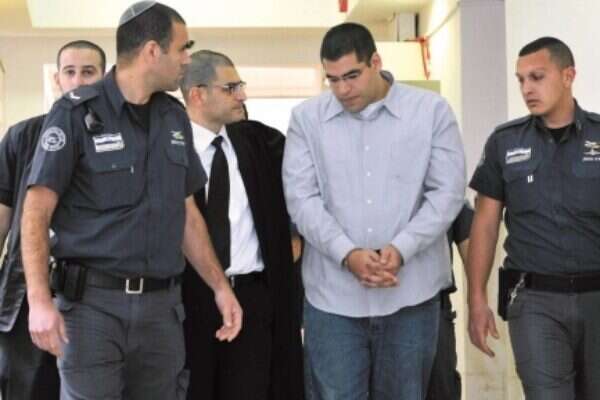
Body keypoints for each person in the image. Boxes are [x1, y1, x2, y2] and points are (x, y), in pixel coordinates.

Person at [20, 2, 242, 399]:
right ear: (153, 51)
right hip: (91, 310)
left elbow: (187, 215)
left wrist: (220, 287)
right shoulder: (74, 113)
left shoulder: (173, 117)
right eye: (182, 48)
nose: (187, 60)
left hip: (161, 311)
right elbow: (36, 212)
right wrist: (38, 301)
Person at [282, 22, 466, 400]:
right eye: (333, 80)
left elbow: (447, 193)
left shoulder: (429, 111)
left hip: (411, 297)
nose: (342, 90)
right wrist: (346, 253)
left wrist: (401, 249)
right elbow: (301, 199)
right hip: (333, 303)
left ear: (376, 62)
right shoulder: (306, 119)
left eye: (352, 76)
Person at [467, 37, 600, 400]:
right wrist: (476, 299)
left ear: (568, 76)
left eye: (537, 77)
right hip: (535, 301)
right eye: (521, 79)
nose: (527, 89)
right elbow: (485, 224)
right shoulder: (505, 142)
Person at [179, 49, 303, 400]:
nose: (242, 95)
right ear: (198, 94)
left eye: (240, 86)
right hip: (189, 300)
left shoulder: (261, 144)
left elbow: (302, 193)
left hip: (252, 298)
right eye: (231, 88)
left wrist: (295, 236)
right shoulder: (168, 149)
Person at [0, 39, 106, 400]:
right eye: (69, 72)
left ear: (103, 78)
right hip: (24, 292)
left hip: (93, 296)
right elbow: (3, 218)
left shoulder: (118, 138)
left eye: (88, 72)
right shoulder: (22, 136)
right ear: (57, 79)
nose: (78, 81)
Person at [426, 201, 473, 400]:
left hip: (434, 307)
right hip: (378, 307)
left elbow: (473, 248)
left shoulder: (445, 191)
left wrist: (477, 301)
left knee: (442, 390)